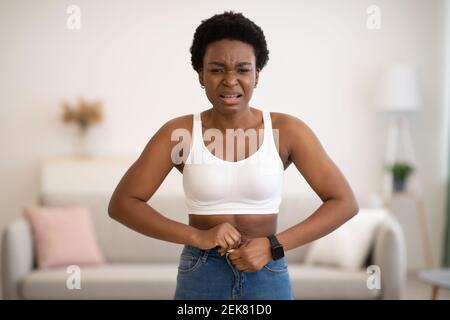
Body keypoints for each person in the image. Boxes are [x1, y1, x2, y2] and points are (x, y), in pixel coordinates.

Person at [108, 11, 359, 300]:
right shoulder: (178, 133)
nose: (230, 80)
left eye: (242, 69)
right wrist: (197, 236)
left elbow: (344, 202)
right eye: (216, 70)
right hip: (202, 272)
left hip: (267, 271)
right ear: (201, 75)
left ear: (256, 75)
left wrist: (273, 245)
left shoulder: (288, 130)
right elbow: (123, 204)